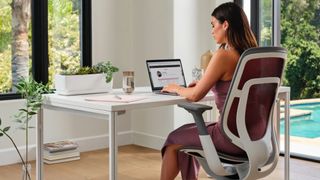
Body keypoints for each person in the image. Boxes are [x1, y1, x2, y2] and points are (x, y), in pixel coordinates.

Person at [160, 2, 258, 180]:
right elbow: (234, 88)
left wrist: (177, 88)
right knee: (186, 135)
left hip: (229, 138)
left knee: (174, 139)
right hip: (254, 137)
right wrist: (206, 82)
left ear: (225, 24)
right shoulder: (252, 56)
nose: (212, 31)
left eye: (213, 25)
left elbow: (195, 96)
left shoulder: (223, 55)